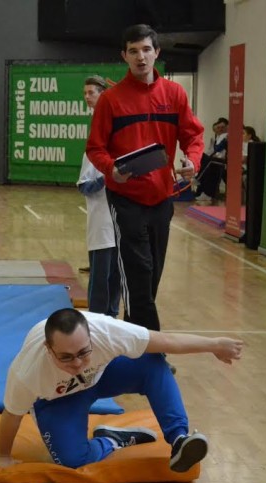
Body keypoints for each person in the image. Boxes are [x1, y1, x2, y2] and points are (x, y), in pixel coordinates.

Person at [0, 308, 244, 471]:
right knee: (72, 461)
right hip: (59, 398)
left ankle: (178, 438)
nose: (77, 363)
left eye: (83, 352)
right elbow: (12, 414)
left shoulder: (109, 332)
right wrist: (2, 456)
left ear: (92, 337)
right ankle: (112, 439)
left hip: (101, 376)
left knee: (153, 362)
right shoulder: (28, 371)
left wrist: (214, 344)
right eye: (66, 357)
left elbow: (167, 341)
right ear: (49, 349)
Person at [86, 24, 204, 342]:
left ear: (157, 53)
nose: (141, 57)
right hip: (126, 199)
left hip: (162, 199)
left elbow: (193, 134)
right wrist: (112, 169)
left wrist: (193, 160)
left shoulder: (175, 94)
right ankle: (154, 353)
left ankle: (129, 340)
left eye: (147, 50)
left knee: (150, 277)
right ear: (124, 55)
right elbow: (95, 147)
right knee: (138, 275)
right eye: (134, 51)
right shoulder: (111, 100)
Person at [77, 75, 121, 318]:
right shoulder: (93, 150)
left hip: (121, 215)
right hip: (101, 218)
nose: (86, 97)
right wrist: (109, 176)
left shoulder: (114, 131)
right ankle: (96, 317)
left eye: (90, 93)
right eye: (85, 93)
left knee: (117, 271)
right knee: (101, 271)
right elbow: (84, 184)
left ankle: (112, 315)